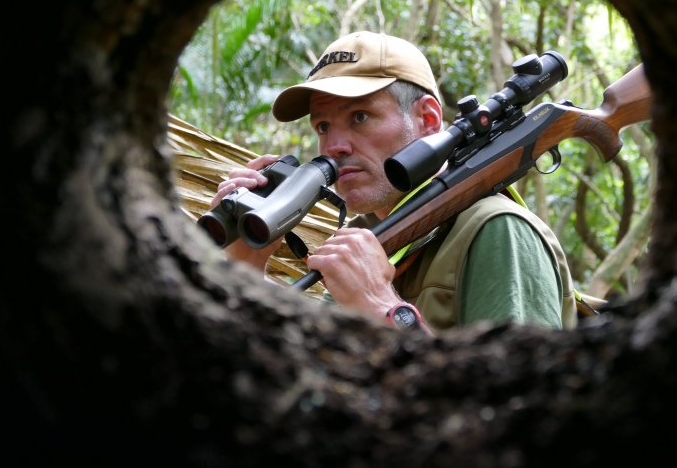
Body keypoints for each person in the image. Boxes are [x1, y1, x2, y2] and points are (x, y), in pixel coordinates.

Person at [209, 31, 577, 333]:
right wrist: (245, 265)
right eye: (323, 126)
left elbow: (526, 412)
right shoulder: (369, 244)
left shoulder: (497, 230)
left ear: (429, 120)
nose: (334, 146)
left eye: (360, 116)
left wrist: (384, 308)